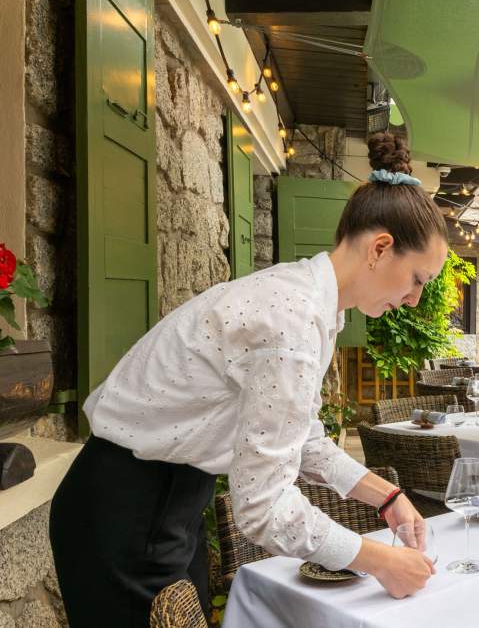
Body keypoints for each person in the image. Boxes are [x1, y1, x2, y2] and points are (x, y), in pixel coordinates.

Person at [50, 132, 443, 626]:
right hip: (126, 514)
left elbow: (301, 437)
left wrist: (385, 496)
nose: (414, 300)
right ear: (380, 248)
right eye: (418, 280)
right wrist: (381, 560)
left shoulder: (310, 303)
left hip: (169, 505)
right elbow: (262, 507)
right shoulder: (292, 320)